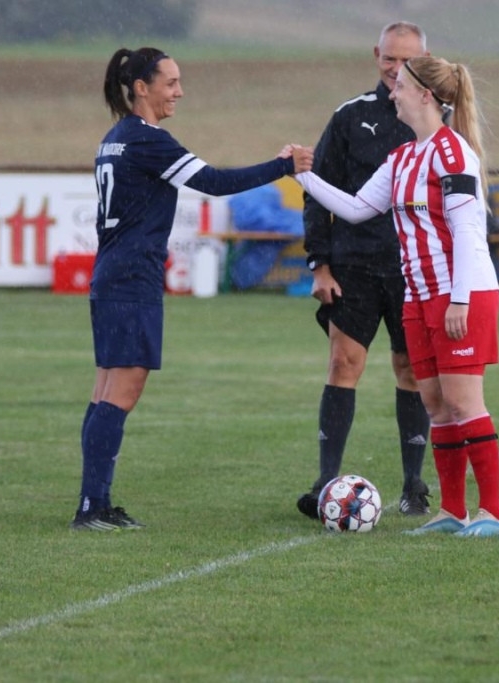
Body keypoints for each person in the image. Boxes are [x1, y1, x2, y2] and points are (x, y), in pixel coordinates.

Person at [70, 47, 312, 531]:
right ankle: (92, 508)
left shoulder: (116, 137)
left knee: (105, 390)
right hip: (131, 279)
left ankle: (95, 503)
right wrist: (282, 166)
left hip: (114, 274)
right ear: (142, 88)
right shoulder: (147, 140)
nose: (179, 91)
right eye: (171, 82)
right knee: (122, 389)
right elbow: (214, 182)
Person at [294, 55, 499, 538]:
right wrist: (302, 175)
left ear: (426, 95)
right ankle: (452, 510)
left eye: (402, 86)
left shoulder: (452, 153)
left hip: (460, 294)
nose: (392, 92)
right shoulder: (404, 157)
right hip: (418, 297)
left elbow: (467, 231)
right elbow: (356, 208)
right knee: (436, 406)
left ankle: (494, 513)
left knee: (464, 403)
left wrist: (459, 299)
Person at [296, 22, 432, 520]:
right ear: (377, 54)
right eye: (390, 58)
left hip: (413, 269)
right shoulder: (351, 116)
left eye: (408, 61)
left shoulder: (437, 123)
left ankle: (414, 484)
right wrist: (320, 264)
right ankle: (325, 482)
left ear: (424, 60)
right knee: (343, 364)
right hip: (353, 266)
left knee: (411, 370)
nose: (397, 69)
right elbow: (317, 191)